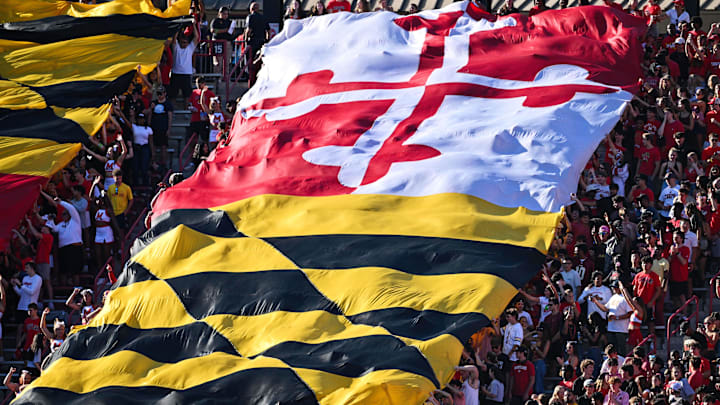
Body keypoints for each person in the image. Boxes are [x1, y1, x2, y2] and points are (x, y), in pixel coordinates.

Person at [169, 21, 200, 107]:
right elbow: (174, 39)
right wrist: (178, 27)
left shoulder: (190, 48)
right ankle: (172, 111)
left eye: (185, 42)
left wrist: (194, 25)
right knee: (173, 95)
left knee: (187, 95)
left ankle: (186, 111)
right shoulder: (176, 48)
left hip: (186, 74)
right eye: (182, 42)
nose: (184, 44)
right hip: (175, 73)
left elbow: (196, 37)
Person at [244, 2, 270, 87]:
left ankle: (251, 81)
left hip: (253, 43)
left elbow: (249, 30)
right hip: (262, 43)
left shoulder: (250, 17)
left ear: (251, 9)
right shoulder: (263, 17)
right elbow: (268, 31)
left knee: (250, 63)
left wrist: (245, 40)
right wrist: (267, 40)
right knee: (260, 62)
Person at [149, 87, 173, 170]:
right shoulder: (154, 103)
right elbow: (150, 115)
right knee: (153, 147)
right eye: (158, 94)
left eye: (161, 93)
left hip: (163, 128)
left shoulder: (168, 104)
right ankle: (153, 164)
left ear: (165, 94)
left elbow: (170, 117)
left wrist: (169, 129)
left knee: (163, 147)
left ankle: (163, 164)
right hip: (154, 128)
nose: (159, 95)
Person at [130, 112, 154, 186]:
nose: (141, 121)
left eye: (142, 119)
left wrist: (152, 152)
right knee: (135, 167)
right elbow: (127, 122)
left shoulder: (148, 129)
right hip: (136, 147)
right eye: (139, 119)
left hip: (144, 147)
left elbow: (151, 141)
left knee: (144, 167)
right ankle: (136, 185)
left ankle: (145, 185)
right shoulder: (134, 127)